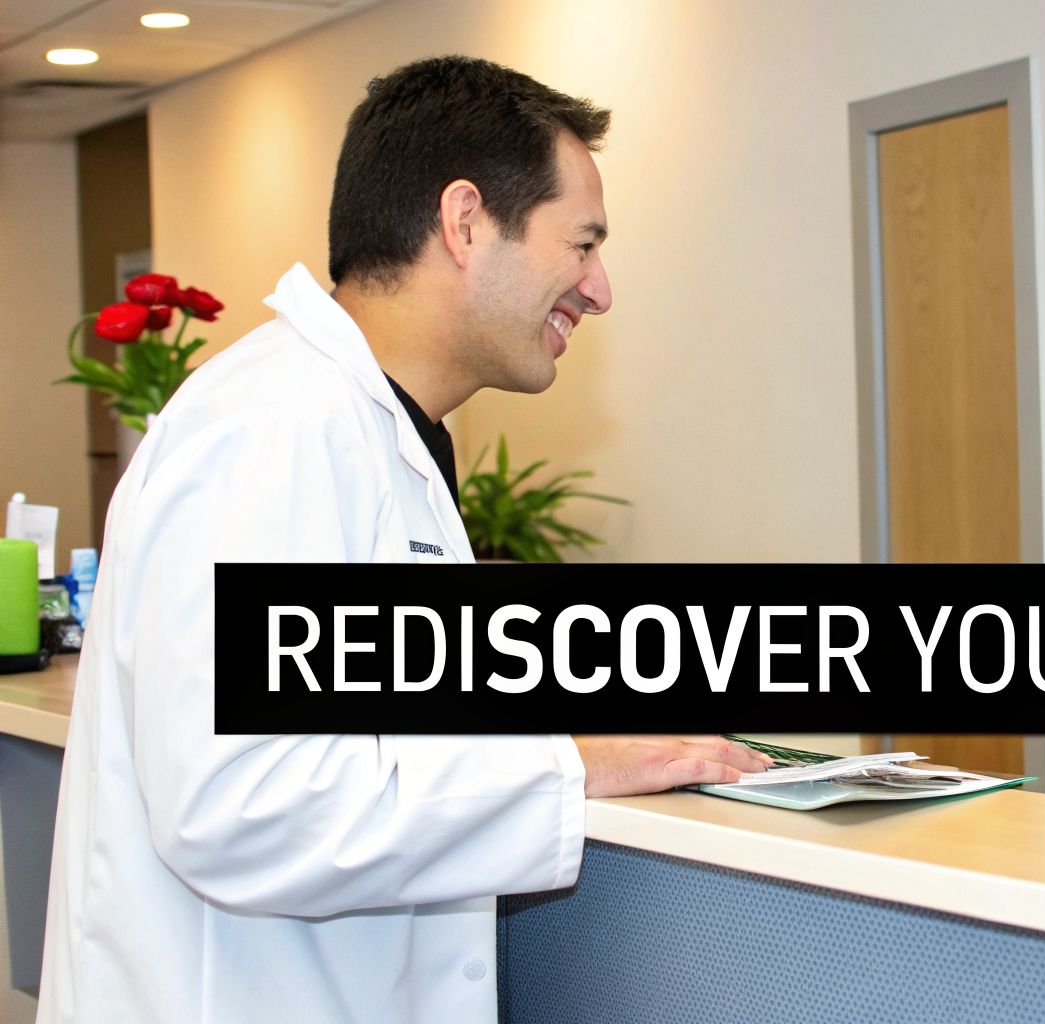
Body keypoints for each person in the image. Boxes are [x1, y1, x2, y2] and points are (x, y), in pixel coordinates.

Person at [38, 56, 768, 1022]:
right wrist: (572, 764)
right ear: (465, 222)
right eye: (581, 243)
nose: (598, 290)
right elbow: (240, 801)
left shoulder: (382, 432)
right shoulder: (277, 430)